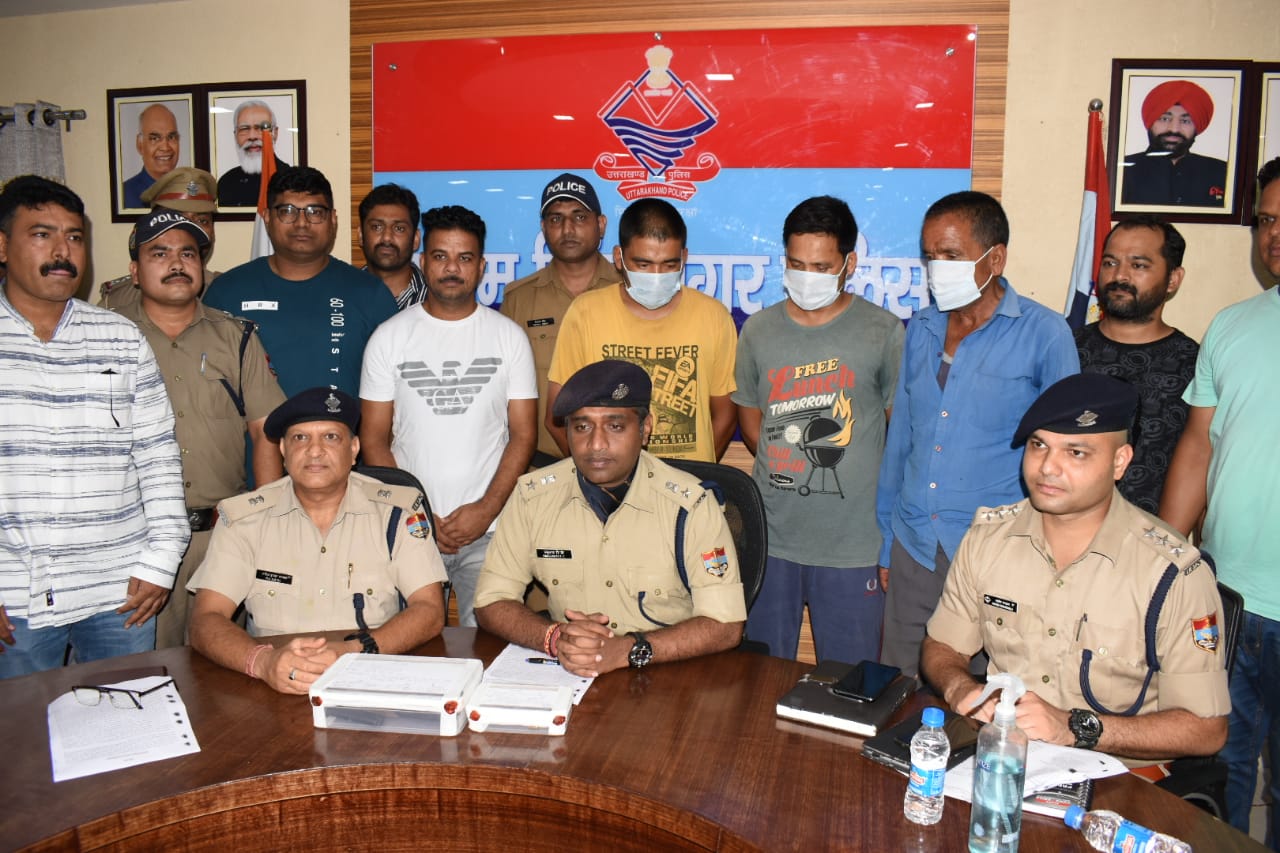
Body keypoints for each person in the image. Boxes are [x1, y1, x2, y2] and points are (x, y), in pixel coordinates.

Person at [922, 373, 1229, 763]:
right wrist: (961, 689)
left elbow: (1206, 729)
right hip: (1006, 756)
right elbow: (943, 645)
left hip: (1119, 773)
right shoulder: (988, 540)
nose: (1048, 468)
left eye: (1076, 453)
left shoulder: (1171, 573)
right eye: (1039, 446)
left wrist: (1075, 727)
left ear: (1120, 462)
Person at [876, 190, 1078, 677]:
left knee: (988, 699)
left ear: (995, 259)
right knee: (900, 690)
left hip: (999, 553)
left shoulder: (1045, 334)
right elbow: (901, 439)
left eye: (951, 255)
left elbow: (1065, 457)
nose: (937, 268)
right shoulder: (921, 328)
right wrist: (887, 542)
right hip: (916, 545)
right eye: (930, 256)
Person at [0, 176, 189, 677]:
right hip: (14, 600)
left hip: (120, 594)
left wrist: (160, 562)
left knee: (128, 717)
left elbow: (158, 456)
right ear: (2, 245)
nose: (62, 252)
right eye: (42, 235)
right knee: (19, 728)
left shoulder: (120, 338)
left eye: (74, 237)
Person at [474, 360, 746, 677]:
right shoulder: (532, 497)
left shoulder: (690, 505)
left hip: (666, 671)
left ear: (645, 428)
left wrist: (629, 649)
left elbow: (725, 625)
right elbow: (491, 600)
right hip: (569, 672)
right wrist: (554, 638)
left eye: (615, 426)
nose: (596, 444)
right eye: (582, 427)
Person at [1161, 156, 1280, 841]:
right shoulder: (1232, 326)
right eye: (1266, 219)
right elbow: (1198, 447)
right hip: (1226, 600)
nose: (1274, 234)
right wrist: (1166, 556)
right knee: (1218, 775)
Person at [187, 388, 448, 694]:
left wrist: (352, 651)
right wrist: (263, 662)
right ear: (283, 450)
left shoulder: (397, 512)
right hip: (271, 685)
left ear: (354, 449)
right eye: (300, 438)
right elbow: (206, 619)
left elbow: (429, 610)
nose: (314, 451)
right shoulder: (244, 519)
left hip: (370, 675)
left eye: (330, 437)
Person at [733, 196, 903, 662]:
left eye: (822, 267)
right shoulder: (759, 331)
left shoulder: (883, 331)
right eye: (796, 264)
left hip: (854, 546)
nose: (807, 277)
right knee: (760, 675)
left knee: (848, 682)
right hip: (773, 540)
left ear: (849, 263)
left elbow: (899, 434)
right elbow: (752, 422)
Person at [110, 210, 287, 648]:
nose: (177, 263)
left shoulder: (236, 337)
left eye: (188, 253)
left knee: (219, 667)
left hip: (219, 539)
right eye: (160, 253)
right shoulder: (107, 336)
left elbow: (265, 432)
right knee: (142, 668)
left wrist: (263, 523)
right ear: (135, 271)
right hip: (134, 542)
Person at [360, 205, 537, 627]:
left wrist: (486, 509)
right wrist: (418, 514)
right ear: (424, 262)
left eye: (464, 257)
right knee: (410, 647)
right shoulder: (389, 338)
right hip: (409, 528)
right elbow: (374, 440)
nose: (452, 268)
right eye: (441, 256)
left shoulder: (509, 338)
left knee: (491, 646)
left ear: (482, 266)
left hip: (491, 530)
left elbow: (523, 435)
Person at [546, 198, 737, 462]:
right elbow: (556, 417)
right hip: (611, 481)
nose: (656, 276)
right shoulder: (585, 313)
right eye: (643, 265)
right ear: (618, 257)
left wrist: (695, 476)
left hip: (689, 482)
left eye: (669, 265)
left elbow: (725, 416)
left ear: (684, 258)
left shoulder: (713, 316)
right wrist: (596, 472)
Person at [204, 166, 396, 397]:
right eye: (287, 211)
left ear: (333, 220)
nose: (302, 223)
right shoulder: (227, 292)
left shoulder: (371, 294)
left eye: (315, 212)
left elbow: (395, 388)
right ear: (267, 218)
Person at [1075, 216, 1197, 514]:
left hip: (1153, 534)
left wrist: (1168, 538)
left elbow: (1201, 464)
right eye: (1110, 262)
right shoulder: (1064, 349)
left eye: (1138, 265)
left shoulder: (1195, 364)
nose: (1120, 275)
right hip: (1063, 528)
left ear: (1173, 279)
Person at [501, 173, 620, 465]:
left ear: (601, 224)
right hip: (540, 466)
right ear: (544, 228)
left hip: (620, 466)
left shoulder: (627, 291)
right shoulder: (519, 299)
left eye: (579, 217)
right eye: (556, 219)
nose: (568, 229)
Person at [101, 167, 221, 309]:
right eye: (177, 218)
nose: (191, 231)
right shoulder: (118, 302)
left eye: (202, 221)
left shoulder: (229, 291)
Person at [1122, 80, 1228, 208]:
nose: (1174, 129)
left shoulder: (1222, 172)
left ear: (1196, 127)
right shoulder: (1123, 171)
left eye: (1185, 121)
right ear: (1150, 122)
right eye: (1165, 119)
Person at [358, 183, 427, 310]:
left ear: (416, 239)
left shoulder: (436, 299)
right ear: (361, 235)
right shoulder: (340, 297)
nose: (387, 237)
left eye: (399, 228)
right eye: (377, 227)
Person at [217, 100, 287, 207]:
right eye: (244, 129)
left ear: (275, 133)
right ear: (235, 135)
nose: (252, 136)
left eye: (261, 128)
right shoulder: (226, 182)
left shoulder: (291, 180)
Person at [123, 104, 180, 208]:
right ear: (140, 145)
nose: (165, 147)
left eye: (171, 137)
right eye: (155, 138)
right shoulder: (124, 195)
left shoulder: (190, 191)